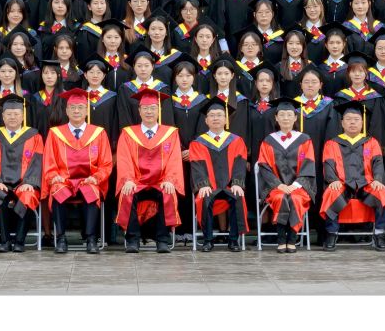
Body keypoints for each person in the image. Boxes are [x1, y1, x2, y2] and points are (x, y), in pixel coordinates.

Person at [44, 88, 113, 253]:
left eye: (80, 107)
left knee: (91, 190)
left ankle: (91, 238)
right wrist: (54, 177)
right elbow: (49, 161)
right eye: (72, 107)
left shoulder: (98, 133)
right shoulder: (55, 134)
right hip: (64, 180)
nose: (76, 111)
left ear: (87, 111)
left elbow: (106, 163)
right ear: (66, 111)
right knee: (57, 189)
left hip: (89, 180)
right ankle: (61, 238)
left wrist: (96, 178)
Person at [115, 90, 185, 253]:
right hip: (136, 181)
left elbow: (174, 159)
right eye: (145, 108)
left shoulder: (170, 133)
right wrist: (128, 179)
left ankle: (162, 240)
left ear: (159, 110)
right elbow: (124, 159)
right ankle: (132, 240)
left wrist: (170, 179)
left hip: (161, 181)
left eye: (153, 108)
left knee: (168, 192)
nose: (149, 112)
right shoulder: (128, 133)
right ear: (139, 111)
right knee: (127, 193)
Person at [318, 102, 385, 251]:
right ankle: (331, 233)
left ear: (362, 122)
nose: (352, 122)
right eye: (348, 119)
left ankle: (379, 233)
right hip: (342, 184)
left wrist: (377, 179)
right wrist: (333, 180)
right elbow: (328, 164)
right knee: (332, 192)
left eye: (356, 119)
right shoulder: (332, 143)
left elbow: (378, 163)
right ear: (342, 123)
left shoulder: (371, 142)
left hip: (366, 184)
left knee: (381, 192)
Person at [0, 95, 45, 252]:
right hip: (1, 182)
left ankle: (19, 241)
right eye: (9, 114)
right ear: (3, 116)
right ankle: (4, 241)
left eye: (16, 114)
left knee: (28, 196)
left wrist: (30, 182)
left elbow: (37, 162)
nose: (13, 117)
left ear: (23, 116)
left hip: (24, 183)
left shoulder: (34, 136)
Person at [185, 100, 248, 252]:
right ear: (206, 120)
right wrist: (203, 184)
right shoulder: (198, 143)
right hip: (209, 186)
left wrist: (237, 183)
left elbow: (240, 163)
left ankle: (234, 240)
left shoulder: (236, 141)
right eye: (212, 115)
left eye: (219, 115)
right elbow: (197, 166)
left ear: (226, 119)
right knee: (204, 197)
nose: (215, 118)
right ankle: (208, 240)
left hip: (230, 185)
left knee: (237, 196)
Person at [254, 100, 315, 254]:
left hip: (298, 187)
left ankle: (292, 240)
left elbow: (308, 164)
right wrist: (279, 185)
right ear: (276, 118)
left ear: (295, 118)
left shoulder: (305, 140)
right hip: (275, 187)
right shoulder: (268, 141)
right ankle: (281, 240)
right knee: (280, 198)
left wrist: (295, 185)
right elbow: (264, 166)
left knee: (295, 198)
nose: (285, 118)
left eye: (289, 115)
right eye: (282, 115)